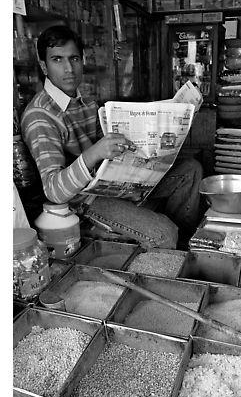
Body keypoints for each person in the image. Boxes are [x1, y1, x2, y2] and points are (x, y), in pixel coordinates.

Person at [21, 25, 204, 248]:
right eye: (57, 59)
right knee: (164, 233)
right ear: (44, 66)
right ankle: (168, 254)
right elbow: (54, 191)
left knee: (191, 171)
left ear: (83, 60)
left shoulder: (86, 102)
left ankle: (183, 251)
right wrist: (94, 153)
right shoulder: (40, 116)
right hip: (82, 199)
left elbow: (110, 147)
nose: (68, 68)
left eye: (74, 58)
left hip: (111, 182)